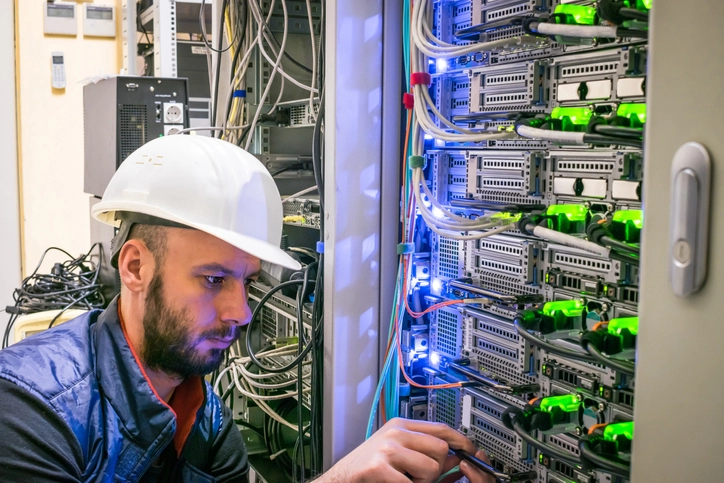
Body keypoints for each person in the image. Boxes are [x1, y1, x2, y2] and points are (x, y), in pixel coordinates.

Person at [0, 136, 493, 483]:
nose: (241, 312)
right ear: (134, 268)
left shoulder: (204, 416)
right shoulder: (29, 408)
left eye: (248, 282)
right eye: (213, 279)